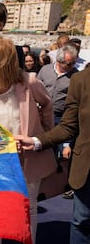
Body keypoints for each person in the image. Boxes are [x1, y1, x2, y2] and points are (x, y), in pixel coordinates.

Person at [0, 37, 56, 244]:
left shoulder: (29, 83)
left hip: (28, 159)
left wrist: (41, 137)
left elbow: (48, 106)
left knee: (29, 206)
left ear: (1, 65)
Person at [15, 63, 90, 244]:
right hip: (86, 167)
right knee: (82, 222)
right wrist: (36, 141)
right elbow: (68, 126)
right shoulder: (81, 80)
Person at [37, 44, 78, 161]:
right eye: (69, 63)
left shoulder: (75, 76)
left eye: (74, 63)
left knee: (59, 153)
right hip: (41, 115)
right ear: (60, 61)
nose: (72, 66)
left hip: (61, 117)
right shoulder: (45, 70)